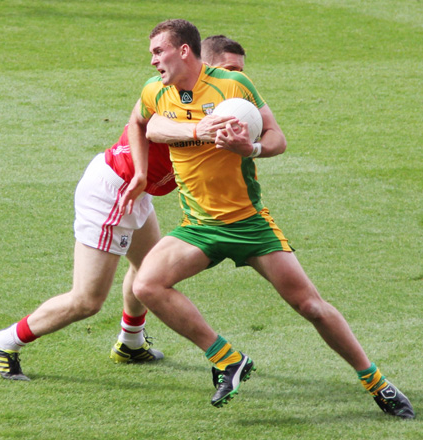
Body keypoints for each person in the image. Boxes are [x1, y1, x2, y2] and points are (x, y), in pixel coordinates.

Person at [120, 19, 415, 418]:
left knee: (310, 306)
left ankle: (377, 383)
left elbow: (278, 138)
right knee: (147, 284)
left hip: (249, 224)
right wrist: (144, 171)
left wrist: (251, 147)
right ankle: (227, 359)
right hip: (200, 227)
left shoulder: (233, 87)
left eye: (159, 51)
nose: (153, 59)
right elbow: (144, 123)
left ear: (183, 51)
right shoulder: (155, 91)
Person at [0, 36, 249, 381]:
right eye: (230, 69)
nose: (238, 78)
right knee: (87, 300)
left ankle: (130, 342)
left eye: (241, 71)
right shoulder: (173, 97)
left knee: (147, 269)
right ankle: (4, 342)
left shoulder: (218, 99)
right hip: (114, 192)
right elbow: (148, 124)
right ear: (205, 64)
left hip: (135, 191)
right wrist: (147, 168)